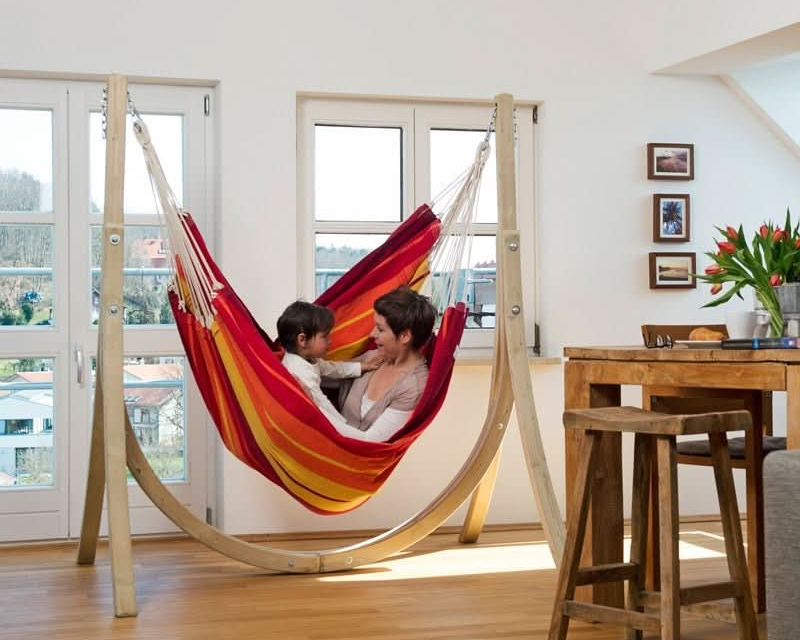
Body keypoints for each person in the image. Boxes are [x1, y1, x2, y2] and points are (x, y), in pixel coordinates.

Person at [337, 286, 437, 441]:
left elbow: (370, 442)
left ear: (404, 336)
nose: (372, 334)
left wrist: (318, 412)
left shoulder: (413, 387)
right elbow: (325, 374)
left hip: (359, 461)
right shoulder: (374, 358)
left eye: (380, 329)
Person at [277, 301, 382, 437]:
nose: (330, 341)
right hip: (314, 427)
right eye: (325, 336)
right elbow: (319, 408)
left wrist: (362, 366)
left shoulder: (307, 358)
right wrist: (348, 430)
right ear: (302, 340)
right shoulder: (298, 374)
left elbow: (332, 368)